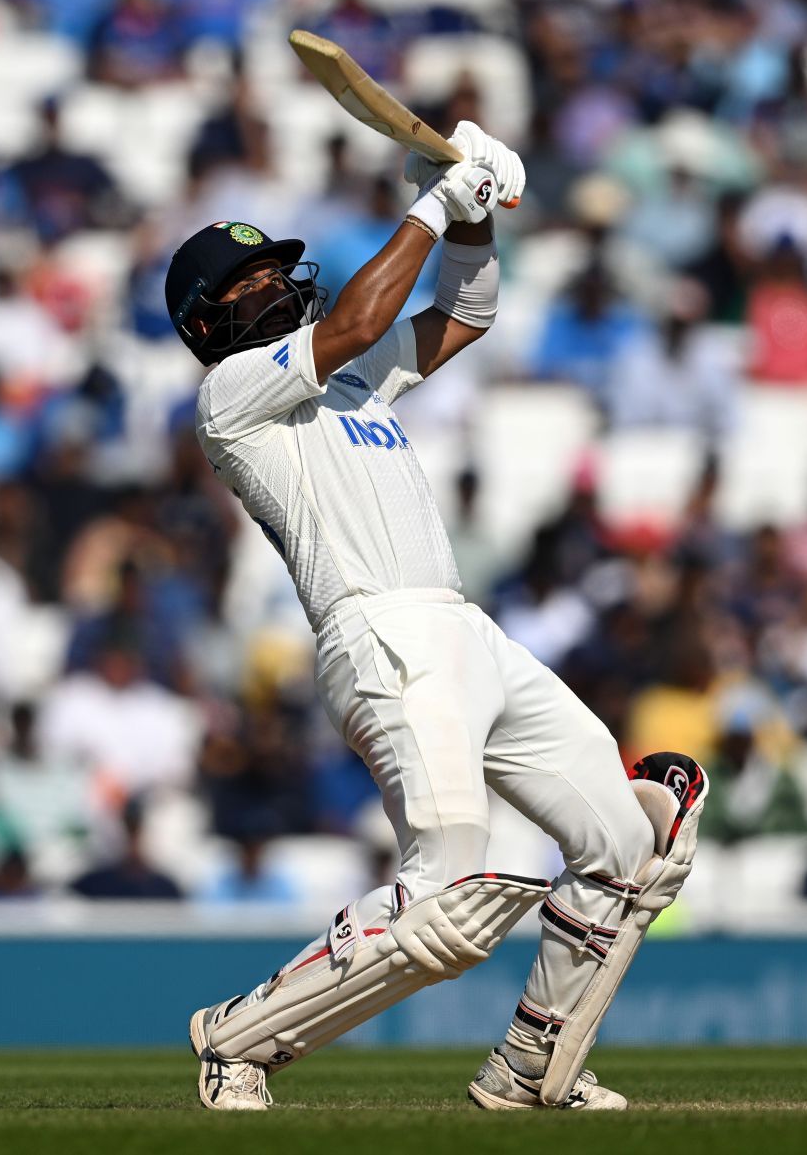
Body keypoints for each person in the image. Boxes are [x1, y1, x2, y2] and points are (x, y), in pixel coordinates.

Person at [169, 122, 704, 1113]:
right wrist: (434, 201)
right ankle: (236, 1041)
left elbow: (468, 313)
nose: (282, 283)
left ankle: (533, 1070)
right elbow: (365, 322)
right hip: (380, 634)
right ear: (211, 320)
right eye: (255, 280)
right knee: (449, 896)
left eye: (282, 269)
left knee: (637, 845)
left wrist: (475, 221)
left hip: (466, 630)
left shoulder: (354, 382)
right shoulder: (233, 392)